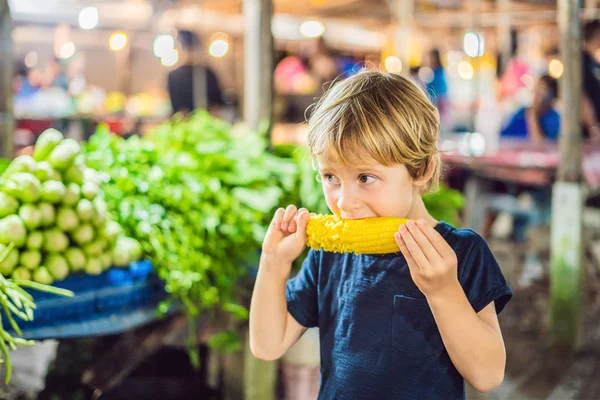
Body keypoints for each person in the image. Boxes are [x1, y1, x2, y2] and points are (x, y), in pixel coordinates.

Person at [249, 71, 513, 399]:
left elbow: (487, 375)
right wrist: (273, 264)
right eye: (330, 176)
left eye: (365, 177)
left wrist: (444, 291)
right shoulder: (329, 256)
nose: (345, 202)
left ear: (421, 170)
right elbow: (267, 345)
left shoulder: (461, 253)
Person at [167, 30, 224, 115]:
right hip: (189, 124)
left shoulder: (208, 74)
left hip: (202, 122)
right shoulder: (174, 76)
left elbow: (217, 104)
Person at [500, 75, 560, 143]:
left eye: (542, 91)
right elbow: (503, 136)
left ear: (552, 95)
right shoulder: (522, 112)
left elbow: (540, 144)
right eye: (537, 89)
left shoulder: (554, 119)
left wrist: (533, 115)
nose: (537, 95)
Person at [582, 20, 600, 140]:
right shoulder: (581, 60)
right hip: (587, 132)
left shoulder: (592, 60)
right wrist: (593, 128)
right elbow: (581, 95)